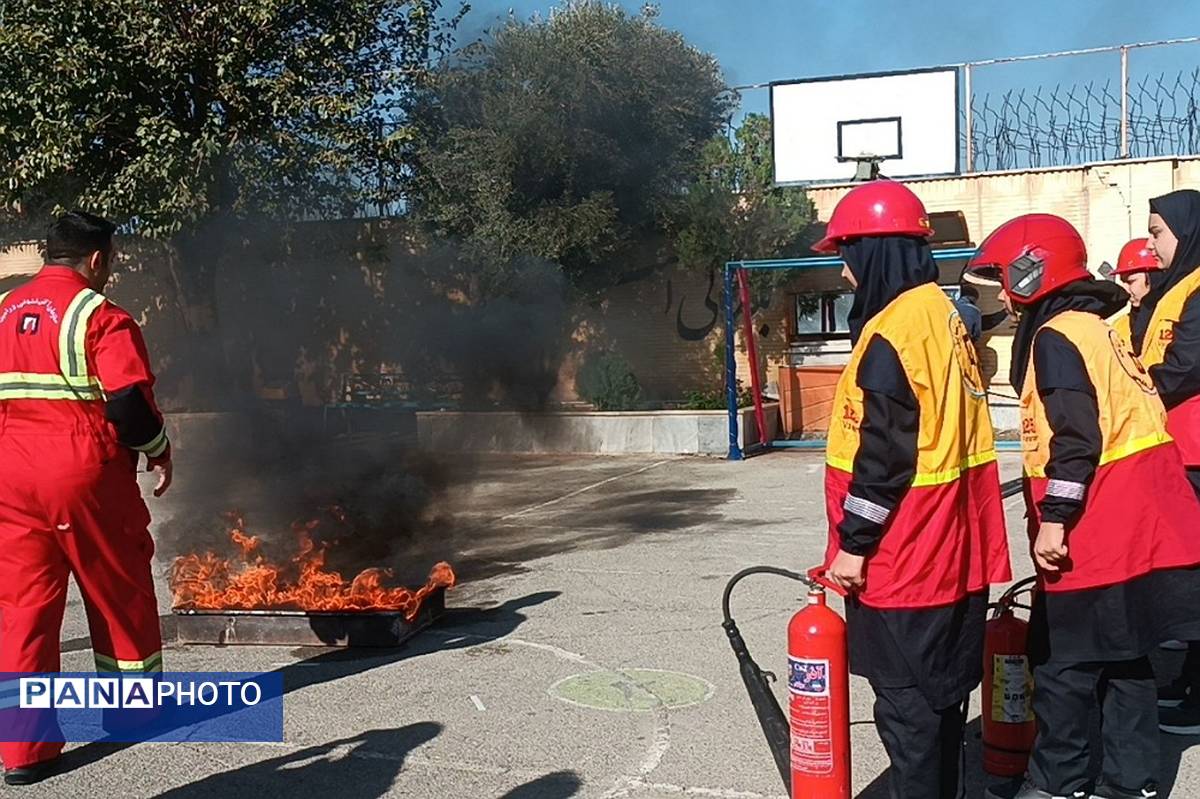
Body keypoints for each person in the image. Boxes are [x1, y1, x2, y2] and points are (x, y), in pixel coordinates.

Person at [968, 213, 1200, 799]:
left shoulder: (1057, 337)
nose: (1002, 291)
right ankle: (1132, 783)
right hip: (1141, 521)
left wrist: (1054, 521)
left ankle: (1057, 783)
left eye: (1003, 275)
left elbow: (1076, 438)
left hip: (1099, 525)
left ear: (1030, 269)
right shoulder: (1096, 327)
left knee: (1064, 666)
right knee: (1127, 662)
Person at [815, 180, 1011, 799]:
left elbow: (884, 459)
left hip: (904, 560)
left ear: (874, 254)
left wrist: (852, 545)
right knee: (944, 701)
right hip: (954, 550)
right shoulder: (946, 317)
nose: (845, 276)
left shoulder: (892, 333)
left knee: (908, 716)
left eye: (847, 256)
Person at [0, 212, 173, 784]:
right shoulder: (101, 316)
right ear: (97, 259)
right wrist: (159, 446)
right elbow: (127, 405)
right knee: (118, 587)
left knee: (22, 611)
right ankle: (132, 712)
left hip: (11, 472)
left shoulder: (3, 311)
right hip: (82, 471)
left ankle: (23, 753)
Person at [1128, 189, 1200, 733]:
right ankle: (1179, 684)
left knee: (1189, 576)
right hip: (1176, 452)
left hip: (1196, 454)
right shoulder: (1174, 291)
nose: (1152, 246)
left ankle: (1191, 692)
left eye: (1157, 232)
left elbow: (1182, 368)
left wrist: (1128, 393)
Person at [1106, 238, 1160, 342]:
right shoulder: (1119, 327)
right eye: (1123, 282)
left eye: (1131, 281)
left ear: (1153, 277)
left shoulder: (1177, 319)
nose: (1125, 289)